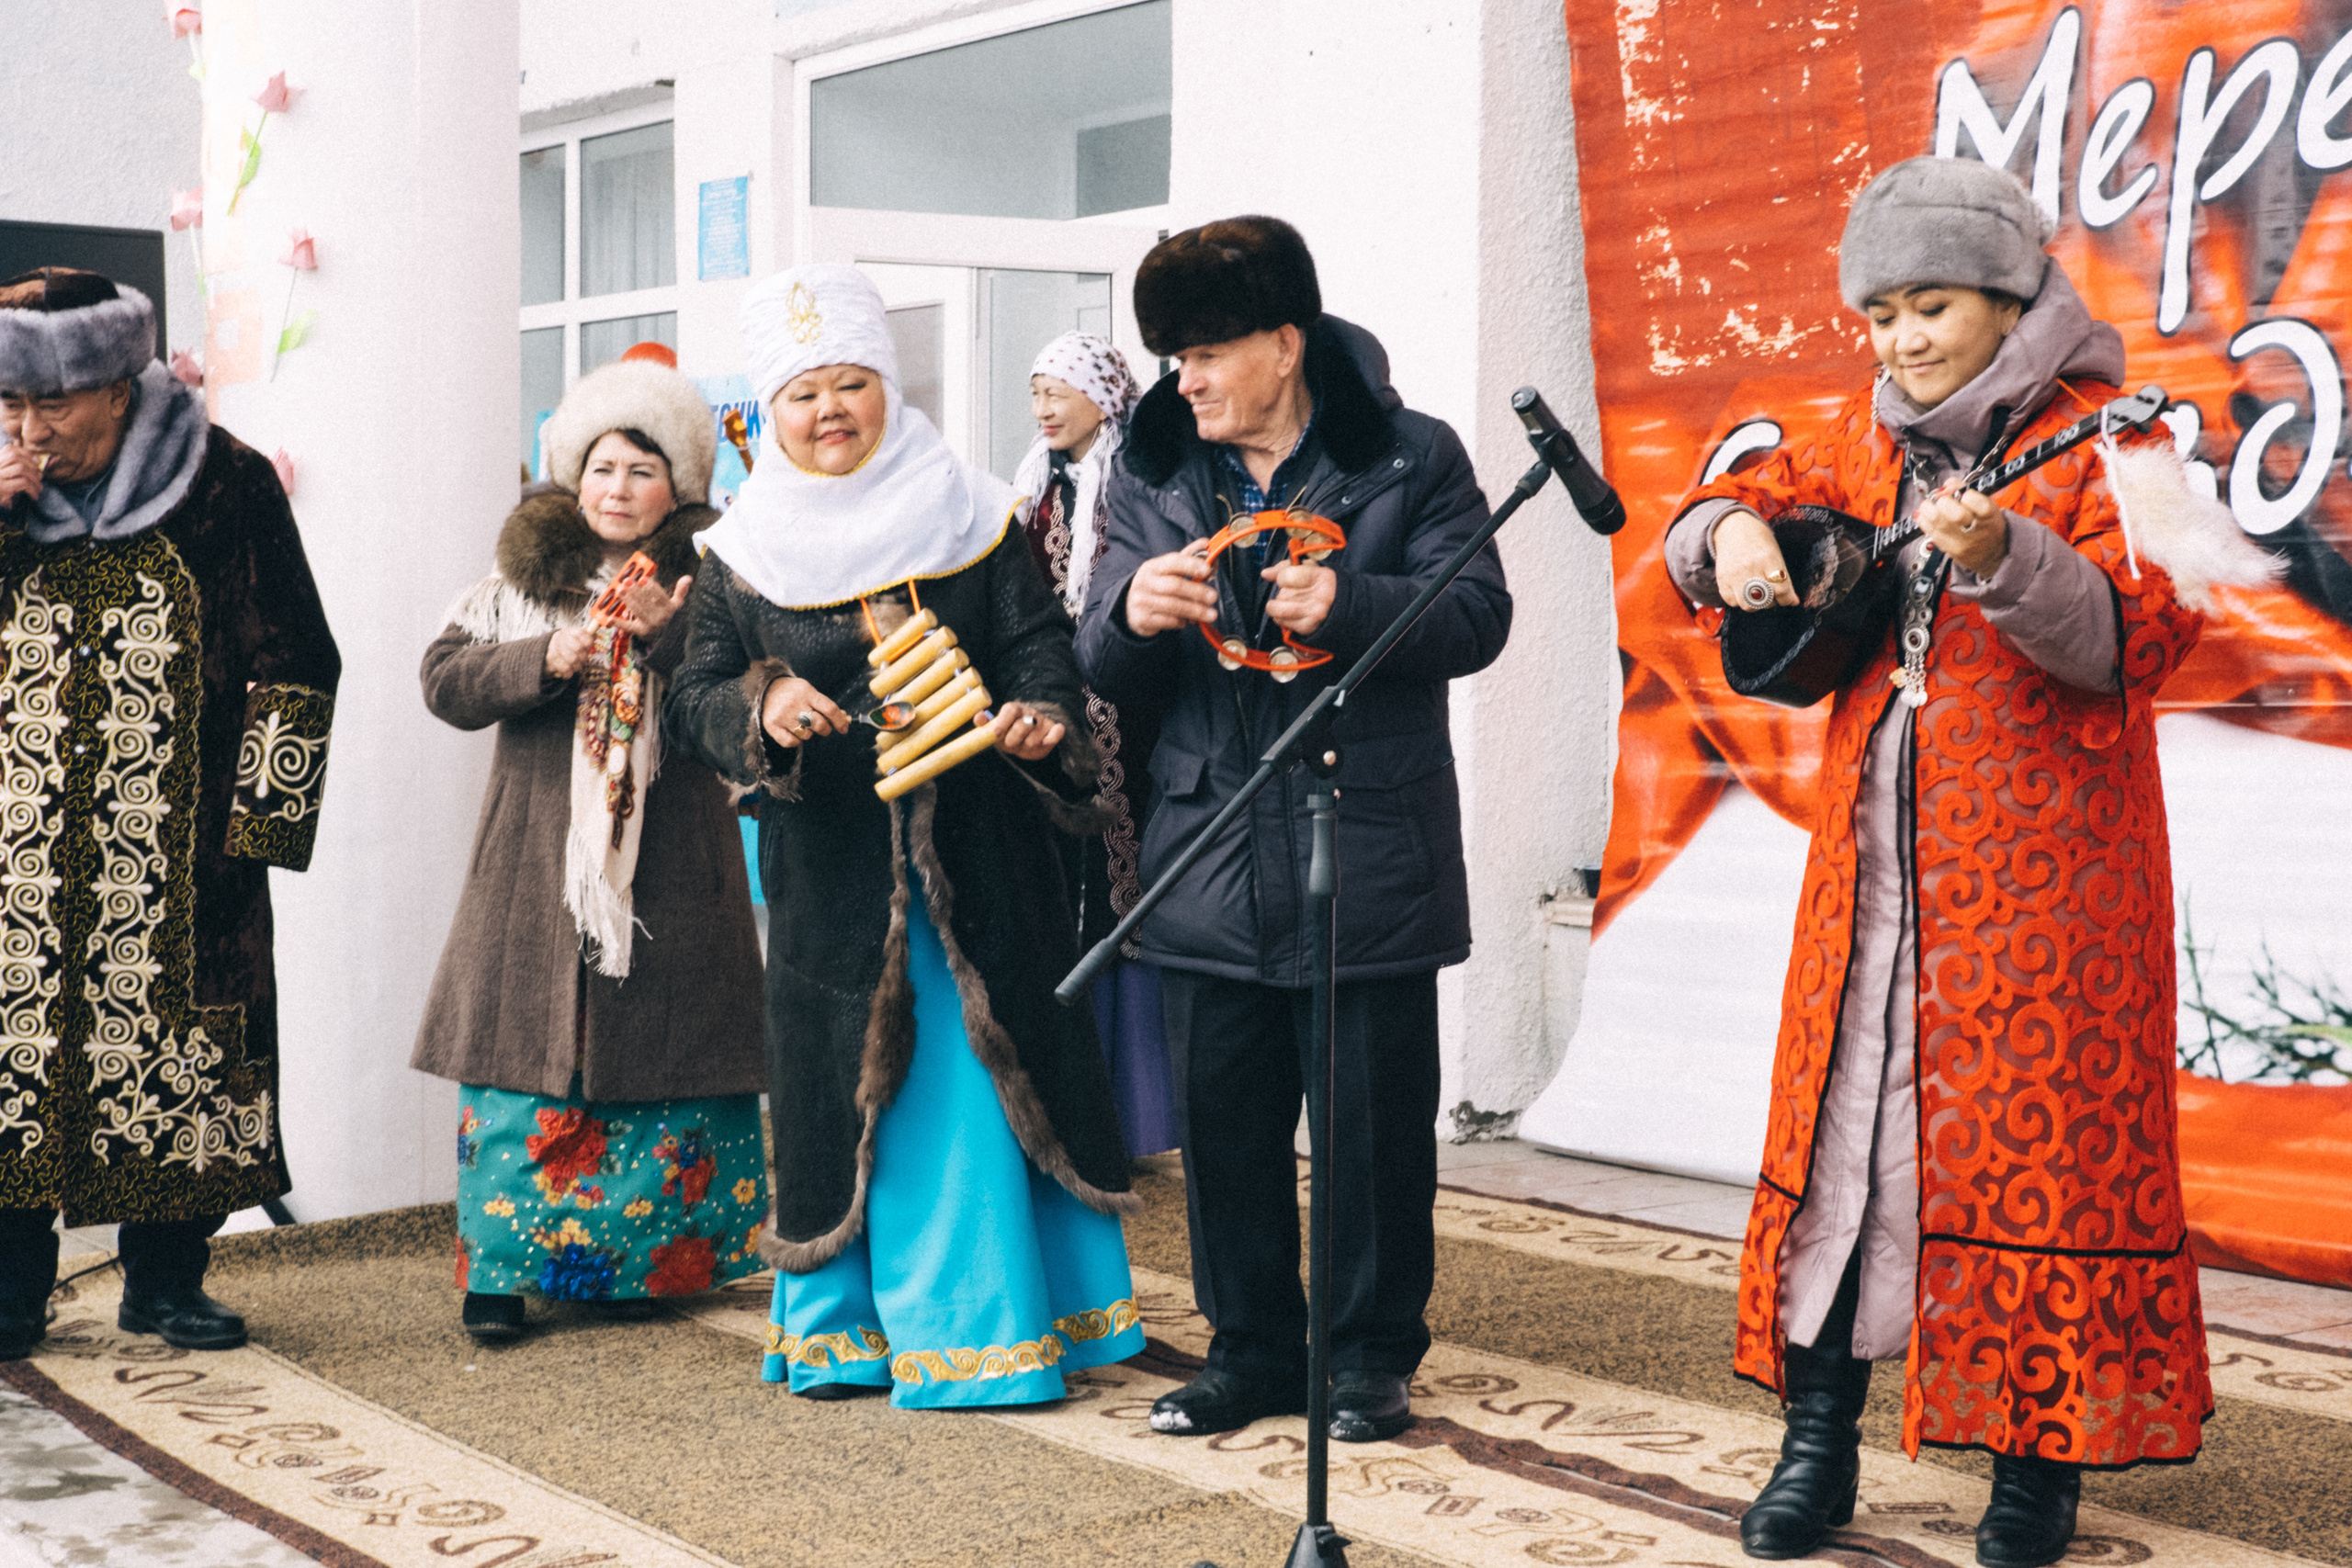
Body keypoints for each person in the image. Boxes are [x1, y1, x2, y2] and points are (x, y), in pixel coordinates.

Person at [1663, 158, 2267, 1567]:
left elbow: (2144, 639)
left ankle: (2034, 1466)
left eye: (1927, 305)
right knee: (1848, 1143)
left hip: (2056, 888)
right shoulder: (1857, 437)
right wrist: (1734, 534)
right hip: (1870, 881)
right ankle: (1818, 1440)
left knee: (2033, 1153)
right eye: (1878, 314)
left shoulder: (2130, 440)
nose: (1900, 340)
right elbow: (1718, 512)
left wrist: (2007, 554)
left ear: (2009, 295)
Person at [664, 264, 1143, 1407]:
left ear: (888, 385)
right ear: (768, 415)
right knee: (842, 1085)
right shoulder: (739, 550)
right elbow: (696, 696)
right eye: (802, 395)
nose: (830, 412)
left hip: (982, 860)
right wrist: (764, 706)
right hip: (832, 878)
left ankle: (987, 1336)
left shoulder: (973, 513)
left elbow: (1040, 654)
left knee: (975, 1083)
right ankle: (842, 1331)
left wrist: (1038, 720)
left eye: (850, 385)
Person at [1076, 217, 1511, 1443]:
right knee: (1225, 1130)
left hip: (1365, 838)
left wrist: (1356, 600)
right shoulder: (1152, 470)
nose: (1184, 380)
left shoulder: (1410, 456)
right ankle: (1252, 1350)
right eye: (1171, 356)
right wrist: (1131, 610)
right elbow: (1100, 659)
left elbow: (1479, 612)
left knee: (1372, 1129)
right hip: (1206, 845)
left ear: (1284, 341)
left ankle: (1369, 1357)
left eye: (1207, 351)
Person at [0, 267, 340, 1357]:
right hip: (18, 858)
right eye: (12, 406)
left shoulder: (224, 485)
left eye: (53, 405)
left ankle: (165, 1280)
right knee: (13, 1068)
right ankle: (9, 1296)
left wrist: (257, 837)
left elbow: (298, 659)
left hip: (182, 853)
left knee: (177, 1055)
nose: (32, 429)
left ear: (117, 387)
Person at [412, 360, 769, 1343]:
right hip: (533, 865)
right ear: (573, 478)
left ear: (678, 492)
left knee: (665, 1054)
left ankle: (646, 1263)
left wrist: (662, 643)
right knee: (521, 1065)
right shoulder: (516, 586)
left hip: (672, 869)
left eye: (642, 472)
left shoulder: (716, 588)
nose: (618, 489)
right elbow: (444, 683)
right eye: (603, 468)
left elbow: (739, 712)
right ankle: (498, 1274)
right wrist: (549, 656)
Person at [1011, 331, 1178, 1157]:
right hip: (1056, 721)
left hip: (1136, 720)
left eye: (1057, 390)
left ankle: (1140, 1110)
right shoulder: (1037, 489)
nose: (1042, 407)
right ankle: (1075, 1104)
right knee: (1062, 894)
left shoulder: (1140, 485)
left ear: (1103, 396)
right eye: (1035, 391)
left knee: (1128, 891)